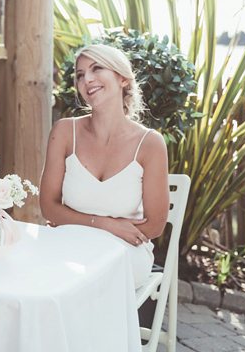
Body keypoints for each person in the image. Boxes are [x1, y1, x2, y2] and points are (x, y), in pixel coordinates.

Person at [40, 44, 170, 288]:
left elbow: (153, 226)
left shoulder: (150, 143)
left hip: (124, 252)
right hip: (70, 244)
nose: (87, 79)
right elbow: (48, 207)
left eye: (96, 68)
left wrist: (71, 219)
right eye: (80, 75)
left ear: (122, 78)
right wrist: (107, 224)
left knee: (86, 275)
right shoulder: (65, 132)